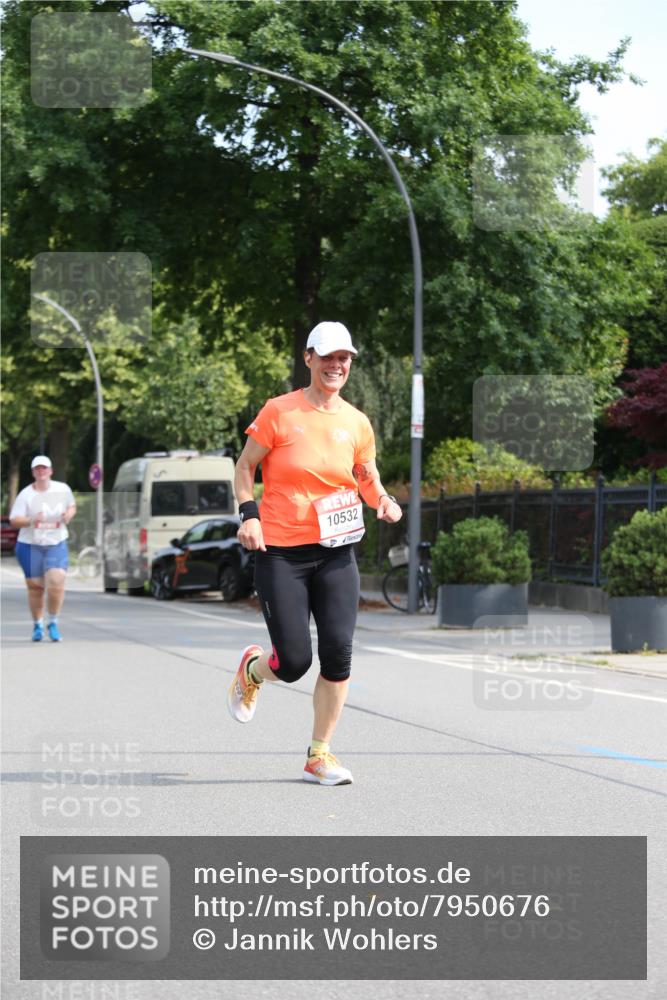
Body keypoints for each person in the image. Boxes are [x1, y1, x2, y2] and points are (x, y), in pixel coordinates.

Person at [229, 321, 402, 785]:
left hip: (337, 551)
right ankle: (253, 669)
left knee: (339, 654)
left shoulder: (356, 422)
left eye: (344, 357)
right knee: (294, 662)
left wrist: (382, 500)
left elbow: (366, 475)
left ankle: (318, 755)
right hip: (282, 551)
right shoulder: (279, 412)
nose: (336, 365)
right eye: (327, 357)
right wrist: (249, 516)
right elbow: (245, 467)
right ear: (309, 358)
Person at [9, 456, 76, 642]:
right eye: (37, 469)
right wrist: (32, 520)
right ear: (33, 473)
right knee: (36, 588)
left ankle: (53, 621)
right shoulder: (26, 495)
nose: (41, 471)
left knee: (56, 581)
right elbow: (15, 520)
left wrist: (68, 515)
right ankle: (38, 624)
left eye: (44, 468)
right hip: (30, 545)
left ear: (51, 471)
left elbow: (72, 506)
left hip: (55, 543)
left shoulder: (62, 489)